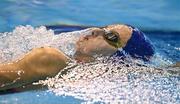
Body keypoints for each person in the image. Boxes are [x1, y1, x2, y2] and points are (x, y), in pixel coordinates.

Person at [0, 24, 155, 90]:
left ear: (118, 57)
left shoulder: (49, 58)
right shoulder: (71, 76)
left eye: (111, 36)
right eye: (103, 28)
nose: (95, 30)